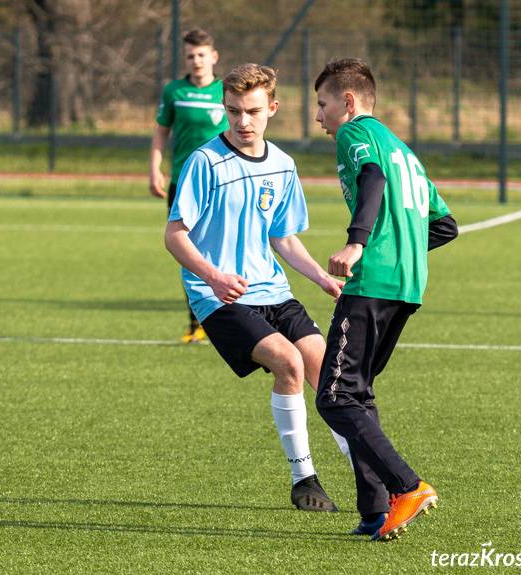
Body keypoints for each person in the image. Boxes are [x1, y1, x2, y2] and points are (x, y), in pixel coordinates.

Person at [165, 63, 351, 511]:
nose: (242, 122)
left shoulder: (283, 165)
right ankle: (304, 478)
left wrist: (322, 278)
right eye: (232, 112)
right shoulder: (205, 162)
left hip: (273, 291)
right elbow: (174, 235)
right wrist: (213, 275)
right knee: (287, 362)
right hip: (218, 297)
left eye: (251, 111)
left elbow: (283, 237)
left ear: (272, 107)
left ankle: (368, 471)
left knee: (326, 371)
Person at [312, 58, 459, 540]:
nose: (319, 116)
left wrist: (359, 242)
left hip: (372, 283)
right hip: (407, 286)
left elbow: (371, 179)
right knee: (357, 394)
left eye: (323, 104)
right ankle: (375, 510)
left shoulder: (357, 136)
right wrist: (401, 249)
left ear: (348, 102)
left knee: (334, 397)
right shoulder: (406, 152)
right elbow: (444, 224)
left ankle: (407, 487)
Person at [151, 28, 228, 344]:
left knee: (224, 248)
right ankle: (196, 322)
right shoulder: (175, 91)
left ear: (213, 56)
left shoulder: (227, 91)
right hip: (183, 182)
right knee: (187, 250)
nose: (196, 61)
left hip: (222, 183)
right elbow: (161, 132)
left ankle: (230, 317)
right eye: (190, 56)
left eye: (201, 54)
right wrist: (155, 169)